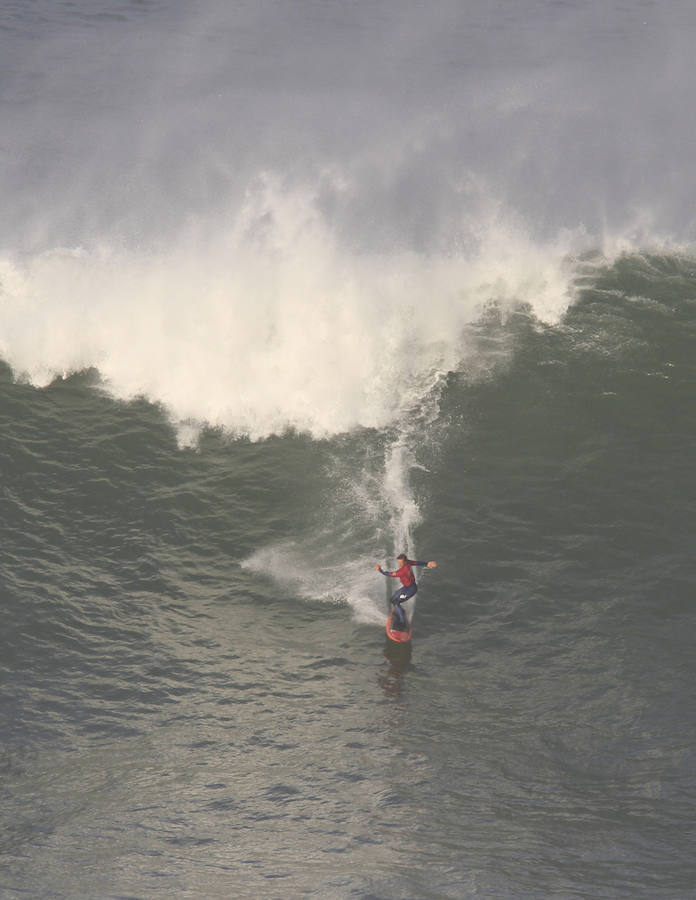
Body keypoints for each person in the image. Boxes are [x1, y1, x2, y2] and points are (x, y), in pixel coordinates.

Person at [374, 554, 437, 626]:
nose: (399, 564)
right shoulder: (408, 563)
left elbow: (389, 574)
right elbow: (417, 563)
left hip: (411, 590)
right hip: (406, 588)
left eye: (400, 563)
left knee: (395, 602)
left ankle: (402, 623)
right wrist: (427, 563)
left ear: (404, 562)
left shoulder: (402, 571)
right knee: (392, 599)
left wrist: (380, 570)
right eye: (398, 562)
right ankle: (401, 611)